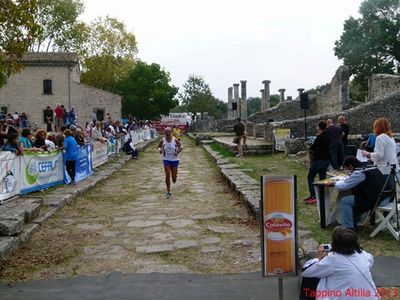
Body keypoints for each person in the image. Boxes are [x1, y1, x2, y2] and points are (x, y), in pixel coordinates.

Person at [301, 227, 379, 300]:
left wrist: (318, 258)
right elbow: (370, 261)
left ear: (334, 244)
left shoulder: (333, 259)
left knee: (311, 278)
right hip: (370, 296)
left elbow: (306, 271)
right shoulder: (363, 254)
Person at [330, 156, 387, 229]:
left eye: (347, 169)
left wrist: (335, 183)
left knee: (345, 201)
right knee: (354, 197)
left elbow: (343, 187)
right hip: (382, 196)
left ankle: (348, 227)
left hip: (373, 199)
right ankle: (355, 221)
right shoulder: (368, 165)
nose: (348, 171)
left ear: (351, 166)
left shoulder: (359, 172)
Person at [304, 120, 330, 204]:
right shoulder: (327, 136)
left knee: (310, 177)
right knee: (322, 179)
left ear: (319, 127)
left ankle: (313, 196)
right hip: (326, 160)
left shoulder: (320, 137)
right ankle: (322, 196)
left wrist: (310, 144)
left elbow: (313, 147)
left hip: (318, 160)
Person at [158, 127, 183, 198]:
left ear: (171, 132)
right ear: (164, 133)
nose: (168, 134)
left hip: (175, 160)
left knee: (174, 178)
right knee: (167, 174)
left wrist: (177, 152)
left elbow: (181, 146)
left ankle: (174, 179)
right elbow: (158, 147)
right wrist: (160, 150)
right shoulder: (162, 140)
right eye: (166, 133)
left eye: (169, 132)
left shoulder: (174, 140)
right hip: (166, 159)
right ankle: (168, 191)